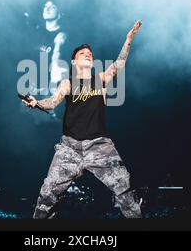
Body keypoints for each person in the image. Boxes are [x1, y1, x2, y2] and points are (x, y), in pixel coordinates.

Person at [22, 20, 143, 219]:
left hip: (100, 147)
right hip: (69, 148)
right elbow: (52, 102)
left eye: (90, 54)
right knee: (47, 195)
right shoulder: (68, 83)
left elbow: (119, 64)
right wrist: (36, 103)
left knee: (125, 191)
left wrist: (129, 39)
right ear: (74, 62)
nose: (88, 54)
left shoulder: (101, 79)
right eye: (82, 54)